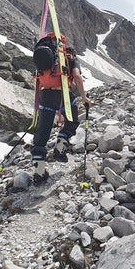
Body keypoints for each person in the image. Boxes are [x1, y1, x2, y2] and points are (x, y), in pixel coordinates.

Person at [30, 38, 91, 184]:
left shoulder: (48, 59)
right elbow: (76, 76)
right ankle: (59, 148)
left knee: (42, 133)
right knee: (72, 121)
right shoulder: (71, 59)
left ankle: (39, 173)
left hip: (45, 95)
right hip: (62, 94)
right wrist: (84, 97)